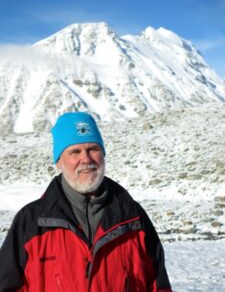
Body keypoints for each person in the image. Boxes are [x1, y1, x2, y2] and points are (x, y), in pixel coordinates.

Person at [0, 111, 172, 291]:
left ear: (103, 155)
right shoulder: (30, 222)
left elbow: (158, 286)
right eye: (75, 151)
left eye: (93, 149)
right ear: (59, 161)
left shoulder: (133, 218)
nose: (86, 159)